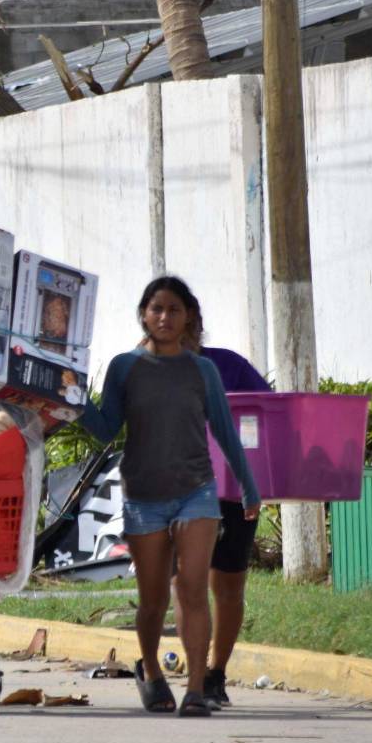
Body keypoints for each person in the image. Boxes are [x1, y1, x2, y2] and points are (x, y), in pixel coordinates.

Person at [79, 276, 260, 717]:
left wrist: (249, 486)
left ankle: (196, 689)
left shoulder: (204, 371)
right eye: (156, 309)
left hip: (197, 494)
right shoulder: (124, 367)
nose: (165, 317)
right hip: (143, 497)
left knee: (195, 590)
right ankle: (154, 675)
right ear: (143, 313)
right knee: (154, 598)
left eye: (174, 310)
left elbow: (224, 430)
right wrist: (71, 396)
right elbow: (105, 427)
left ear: (189, 318)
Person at [172, 313, 271, 709]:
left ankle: (216, 674)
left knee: (228, 588)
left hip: (232, 496)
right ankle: (197, 673)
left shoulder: (229, 366)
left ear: (196, 325)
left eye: (182, 318)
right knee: (186, 586)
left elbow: (269, 416)